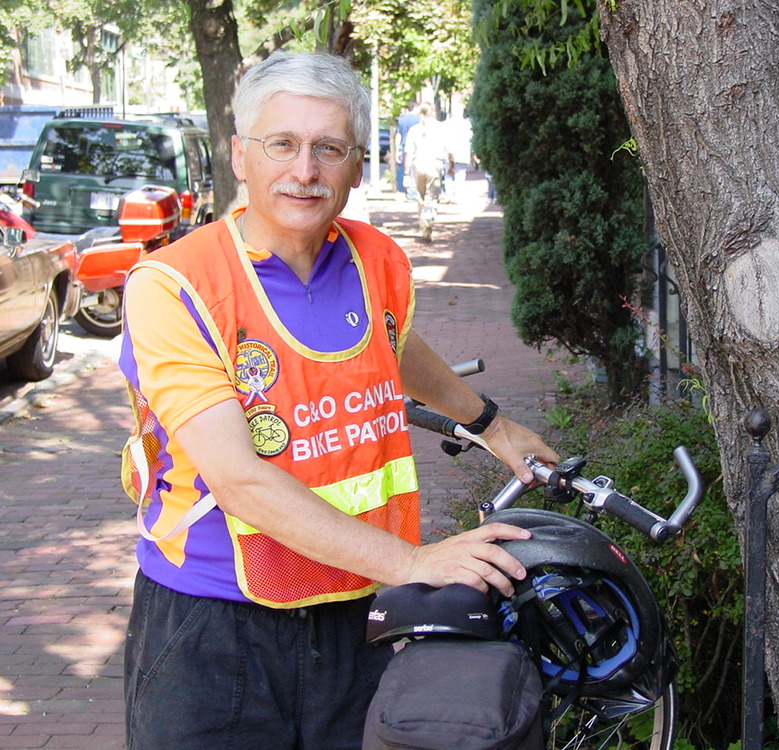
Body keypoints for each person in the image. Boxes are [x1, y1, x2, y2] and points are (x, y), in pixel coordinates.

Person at [118, 51, 558, 750]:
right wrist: (413, 565)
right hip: (213, 631)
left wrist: (490, 423)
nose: (305, 171)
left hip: (355, 611)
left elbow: (391, 342)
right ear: (238, 155)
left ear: (357, 165)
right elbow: (238, 479)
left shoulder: (375, 259)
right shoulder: (176, 285)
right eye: (282, 144)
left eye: (329, 148)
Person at [403, 102, 451, 241]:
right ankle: (427, 219)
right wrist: (450, 164)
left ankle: (422, 223)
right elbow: (448, 150)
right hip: (434, 164)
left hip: (418, 164)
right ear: (433, 111)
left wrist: (406, 174)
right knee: (432, 196)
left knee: (420, 196)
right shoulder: (441, 128)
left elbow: (408, 153)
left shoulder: (414, 130)